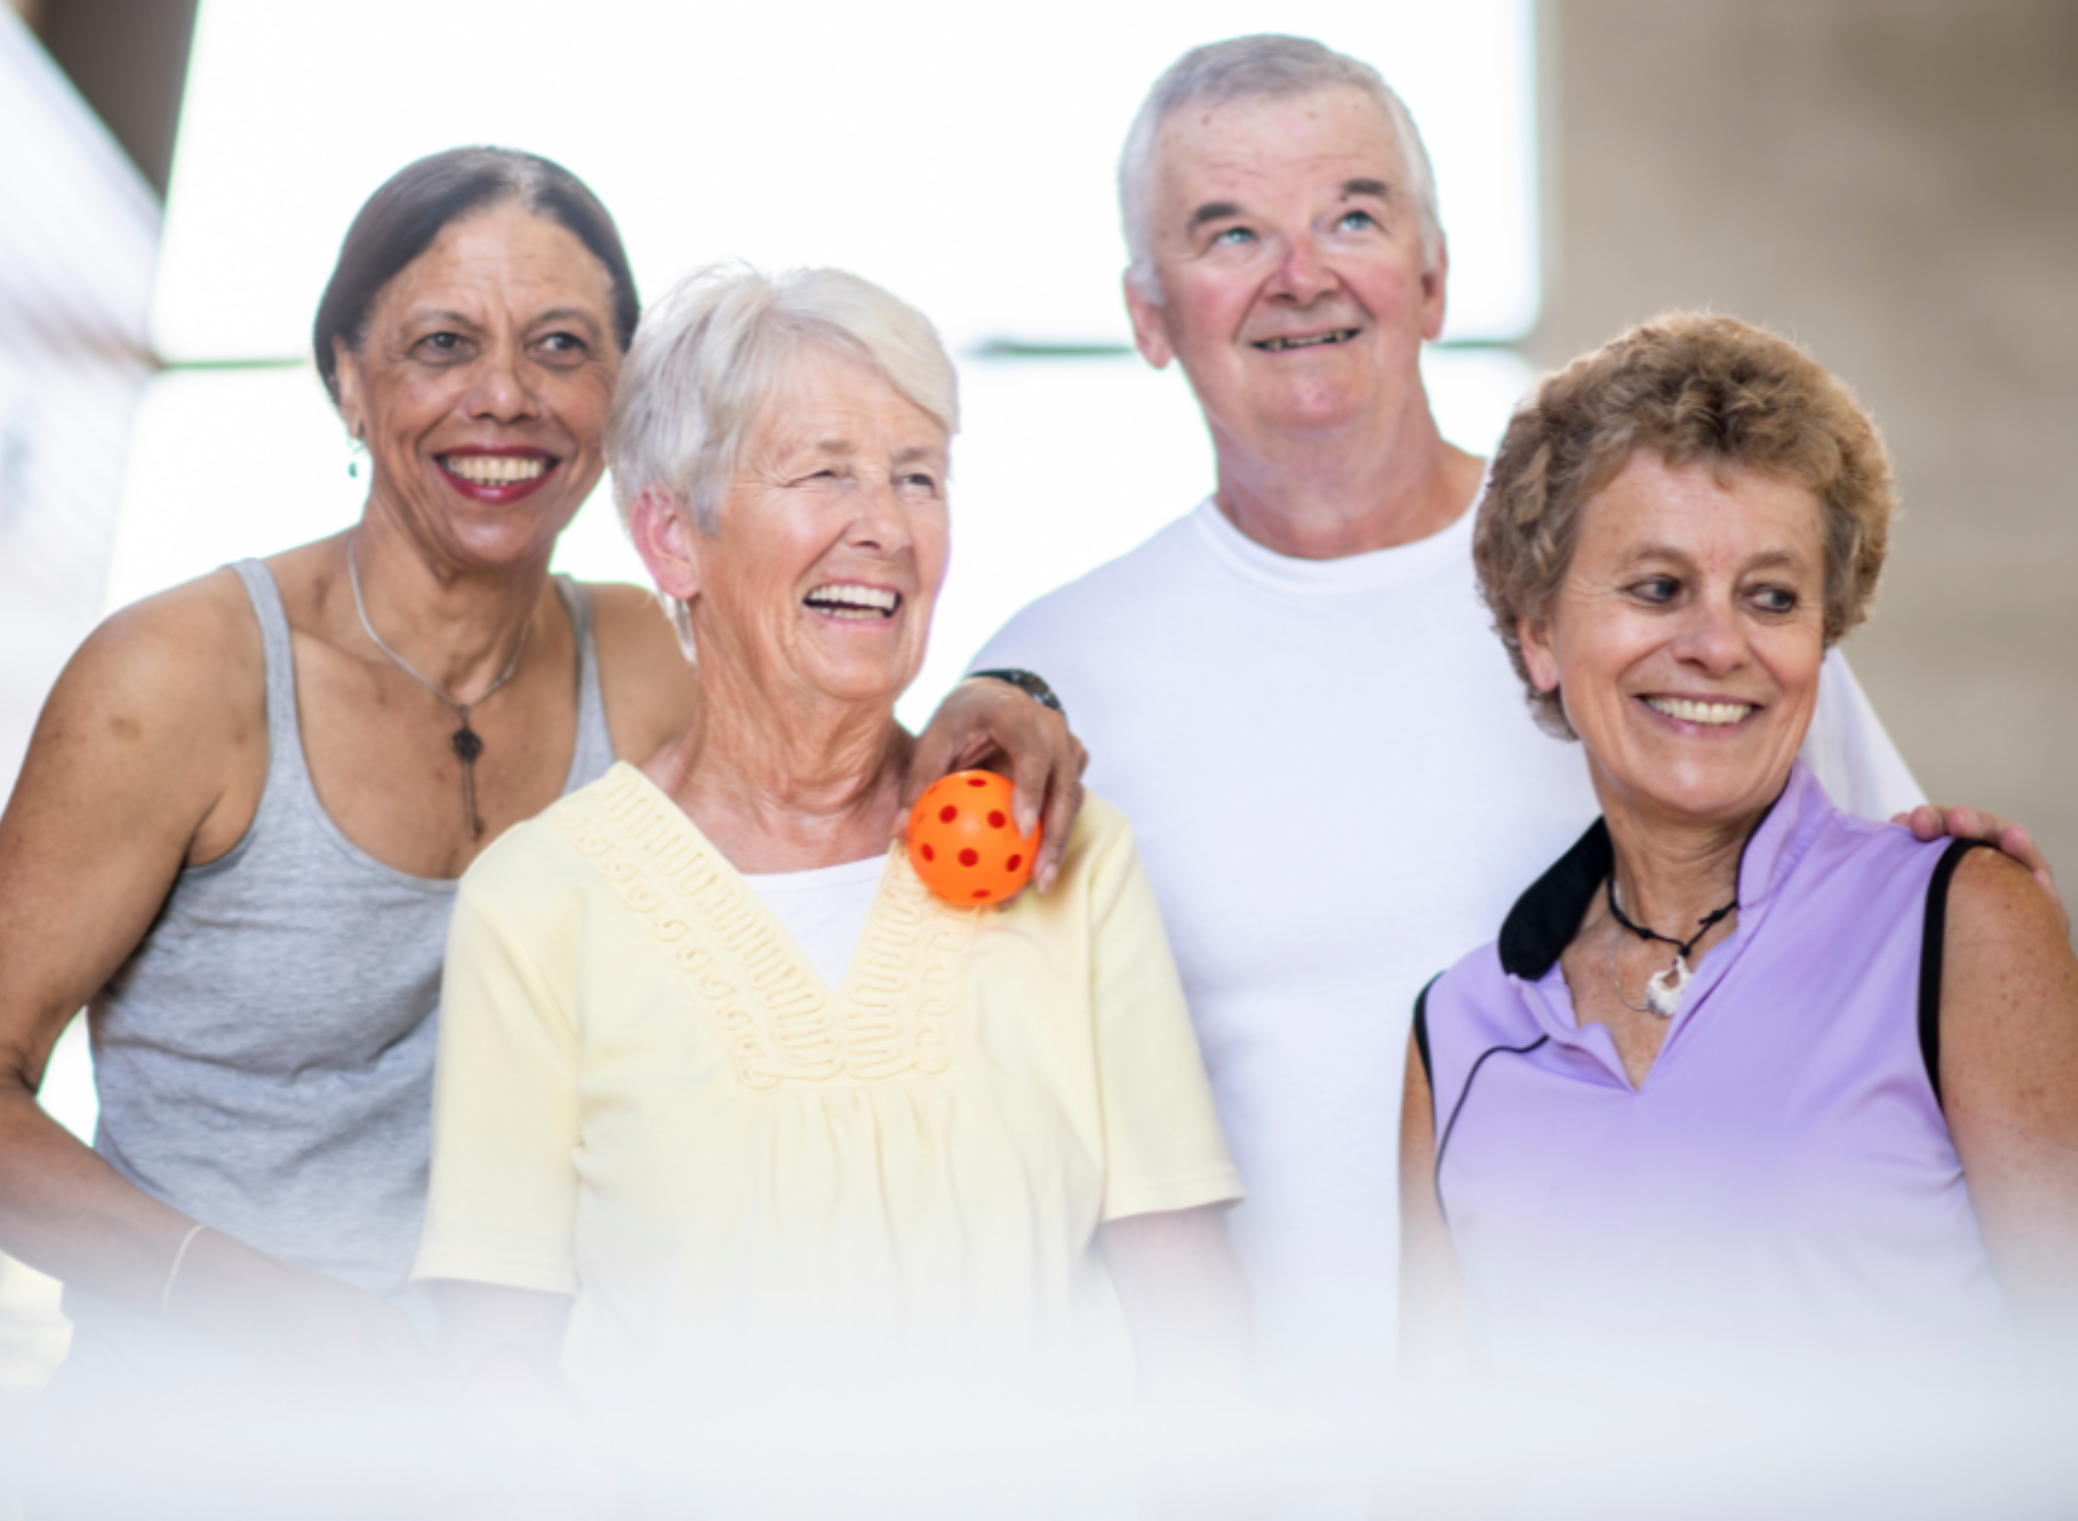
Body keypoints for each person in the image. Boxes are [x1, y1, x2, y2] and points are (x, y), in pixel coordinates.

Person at [0, 149, 1083, 1406]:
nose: (505, 396)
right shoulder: (183, 678)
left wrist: (1005, 700)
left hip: (516, 1433)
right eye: (444, 344)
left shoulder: (641, 660)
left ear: (621, 395)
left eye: (562, 347)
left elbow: (854, 768)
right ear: (347, 377)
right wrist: (282, 1320)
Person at [969, 34, 2061, 1393]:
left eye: (1352, 215)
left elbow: (1887, 934)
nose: (1300, 273)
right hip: (1269, 1458)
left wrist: (1975, 894)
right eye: (1229, 230)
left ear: (1432, 274)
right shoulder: (1048, 675)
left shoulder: (1671, 601)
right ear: (1146, 312)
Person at [413, 265, 1250, 1507]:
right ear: (670, 537)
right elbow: (495, 1367)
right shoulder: (540, 903)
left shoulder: (1070, 853)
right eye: (823, 471)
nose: (886, 524)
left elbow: (1194, 1339)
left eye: (918, 475)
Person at [1397, 312, 2077, 1512]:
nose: (1716, 645)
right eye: (1658, 586)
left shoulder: (1959, 919)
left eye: (1770, 597)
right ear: (1539, 633)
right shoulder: (1456, 1036)